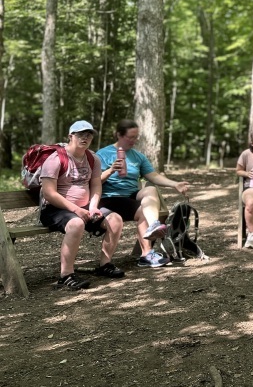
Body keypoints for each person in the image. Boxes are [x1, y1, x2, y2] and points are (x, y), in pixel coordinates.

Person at [40, 120, 125, 289]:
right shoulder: (56, 158)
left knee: (115, 219)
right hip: (55, 209)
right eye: (81, 134)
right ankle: (66, 275)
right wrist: (76, 209)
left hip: (85, 208)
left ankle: (105, 265)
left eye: (89, 135)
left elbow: (96, 186)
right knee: (77, 223)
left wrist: (93, 207)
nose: (85, 138)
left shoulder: (92, 159)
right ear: (70, 136)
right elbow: (49, 193)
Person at [97, 119, 190, 268]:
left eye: (136, 137)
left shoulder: (138, 156)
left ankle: (151, 235)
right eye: (130, 137)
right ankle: (147, 253)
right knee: (143, 211)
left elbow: (152, 176)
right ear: (119, 135)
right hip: (109, 198)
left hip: (130, 197)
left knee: (151, 189)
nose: (134, 140)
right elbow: (93, 181)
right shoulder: (103, 154)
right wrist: (110, 170)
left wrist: (175, 184)